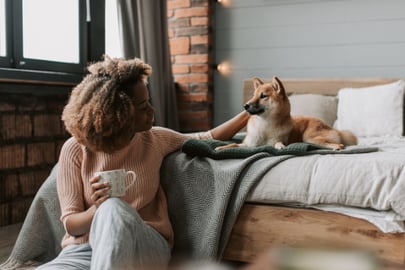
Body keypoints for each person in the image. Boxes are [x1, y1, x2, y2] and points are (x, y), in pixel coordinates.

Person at [36, 56, 249, 270]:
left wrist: (251, 112)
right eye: (143, 106)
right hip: (82, 252)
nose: (152, 110)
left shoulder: (155, 139)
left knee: (113, 209)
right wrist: (96, 209)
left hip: (144, 246)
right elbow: (72, 226)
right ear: (118, 114)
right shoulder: (74, 149)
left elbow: (208, 137)